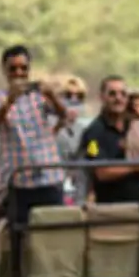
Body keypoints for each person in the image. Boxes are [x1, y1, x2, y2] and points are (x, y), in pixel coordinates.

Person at [0, 44, 69, 227]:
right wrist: (10, 101)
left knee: (54, 230)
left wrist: (52, 96)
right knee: (20, 234)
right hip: (17, 180)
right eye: (13, 69)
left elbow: (64, 116)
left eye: (23, 68)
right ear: (4, 71)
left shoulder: (40, 95)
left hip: (49, 176)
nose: (19, 73)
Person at [78, 76, 139, 206]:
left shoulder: (134, 127)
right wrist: (137, 167)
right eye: (112, 94)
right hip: (110, 209)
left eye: (123, 94)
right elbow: (101, 172)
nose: (118, 98)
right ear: (102, 97)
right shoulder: (93, 133)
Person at [54, 75, 90, 205]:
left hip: (78, 193)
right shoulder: (47, 125)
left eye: (79, 96)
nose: (74, 100)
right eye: (68, 95)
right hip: (53, 189)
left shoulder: (86, 130)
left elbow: (93, 155)